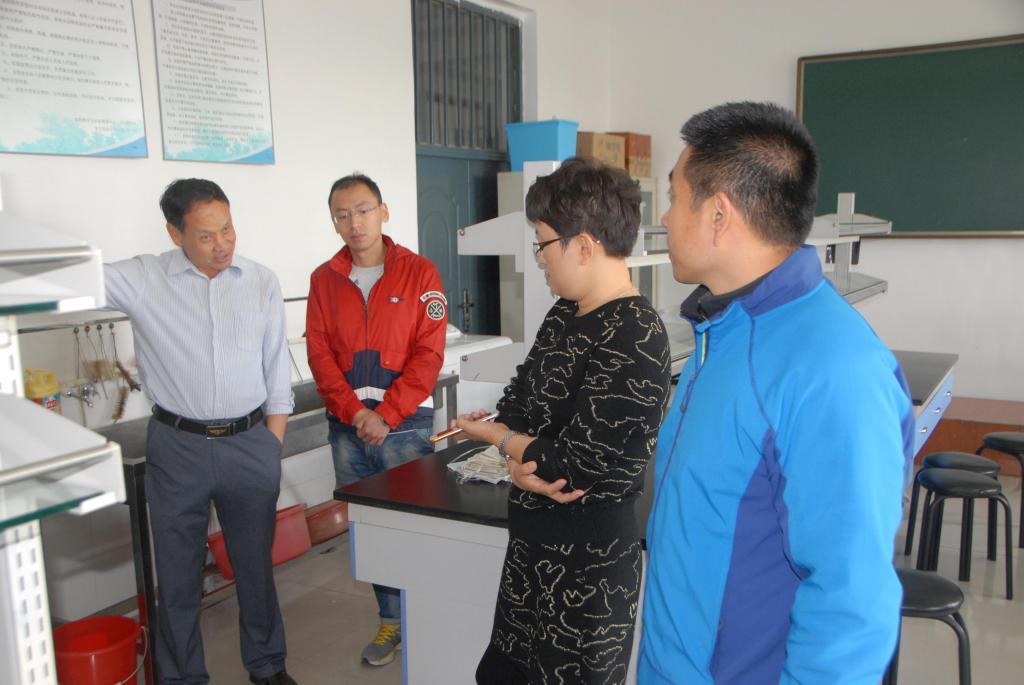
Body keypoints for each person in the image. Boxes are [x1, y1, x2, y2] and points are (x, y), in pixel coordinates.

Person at [639, 102, 915, 684]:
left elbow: (851, 600)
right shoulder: (724, 332)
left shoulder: (833, 369)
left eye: (673, 198)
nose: (665, 217)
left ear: (718, 214)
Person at [455, 157, 671, 684]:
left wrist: (503, 439)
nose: (540, 259)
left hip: (588, 568)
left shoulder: (635, 334)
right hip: (531, 549)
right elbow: (521, 402)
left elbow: (577, 467)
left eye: (543, 244)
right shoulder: (564, 314)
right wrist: (516, 451)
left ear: (585, 245)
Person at [104, 179, 296, 685]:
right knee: (177, 574)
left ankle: (267, 667)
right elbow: (70, 278)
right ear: (175, 234)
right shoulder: (144, 279)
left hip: (249, 442)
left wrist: (270, 444)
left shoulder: (260, 281)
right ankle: (183, 678)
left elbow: (276, 368)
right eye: (206, 236)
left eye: (227, 229)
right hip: (178, 446)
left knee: (254, 568)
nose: (223, 244)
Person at [305, 173, 446, 666]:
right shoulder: (324, 279)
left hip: (404, 429)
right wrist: (356, 413)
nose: (355, 223)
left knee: (414, 527)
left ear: (383, 212)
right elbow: (319, 356)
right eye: (342, 215)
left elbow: (429, 356)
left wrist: (384, 414)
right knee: (371, 531)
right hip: (347, 431)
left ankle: (427, 615)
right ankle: (391, 620)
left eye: (363, 210)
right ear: (334, 223)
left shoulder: (419, 273)